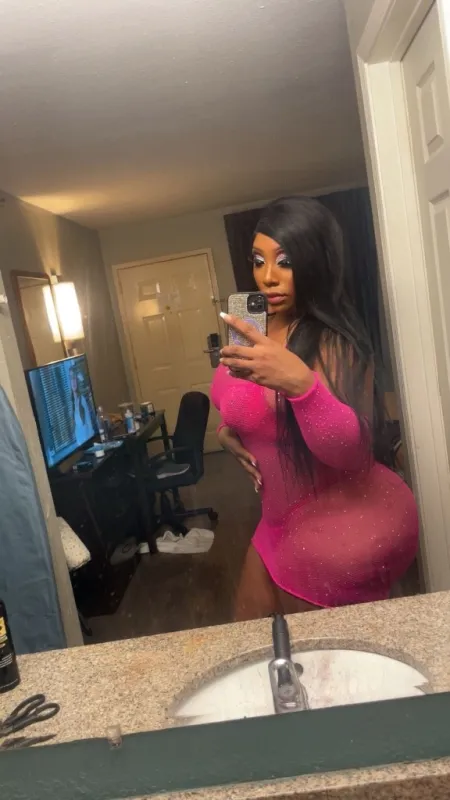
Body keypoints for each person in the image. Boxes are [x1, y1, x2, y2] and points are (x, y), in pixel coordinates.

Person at [212, 196, 418, 620]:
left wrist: (301, 385)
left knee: (322, 657)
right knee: (250, 639)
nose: (267, 277)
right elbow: (236, 398)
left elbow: (350, 453)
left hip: (341, 523)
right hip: (280, 517)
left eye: (285, 261)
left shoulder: (334, 341)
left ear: (316, 263)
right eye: (258, 261)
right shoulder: (254, 331)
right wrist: (228, 433)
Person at [69, 366, 95, 446]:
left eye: (75, 378)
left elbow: (89, 423)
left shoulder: (83, 399)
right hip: (79, 444)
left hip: (88, 442)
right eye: (71, 378)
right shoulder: (71, 403)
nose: (73, 381)